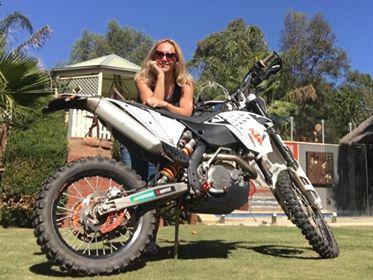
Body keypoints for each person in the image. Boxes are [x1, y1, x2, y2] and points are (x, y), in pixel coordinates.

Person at [122, 38, 194, 255]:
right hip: (134, 139)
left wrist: (164, 104)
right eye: (160, 54)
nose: (164, 58)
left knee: (155, 191)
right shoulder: (142, 78)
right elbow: (152, 105)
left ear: (177, 59)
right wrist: (161, 77)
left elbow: (186, 112)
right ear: (153, 56)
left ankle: (149, 241)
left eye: (170, 55)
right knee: (135, 187)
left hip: (161, 143)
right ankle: (134, 240)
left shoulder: (185, 83)